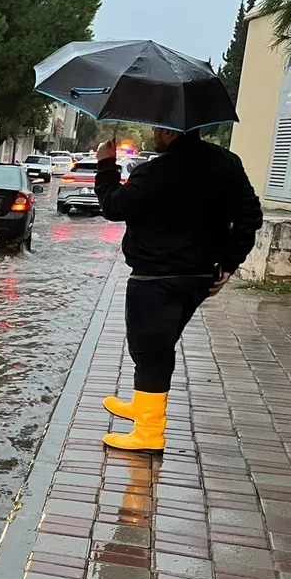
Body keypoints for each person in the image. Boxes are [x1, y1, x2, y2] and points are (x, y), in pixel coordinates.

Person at [93, 128, 263, 452]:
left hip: (156, 278)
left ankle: (149, 432)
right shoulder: (226, 162)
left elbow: (114, 206)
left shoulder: (156, 171)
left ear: (169, 130)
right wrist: (229, 264)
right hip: (199, 276)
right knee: (159, 346)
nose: (155, 133)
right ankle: (145, 405)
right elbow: (249, 217)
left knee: (151, 351)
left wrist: (106, 164)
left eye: (158, 128)